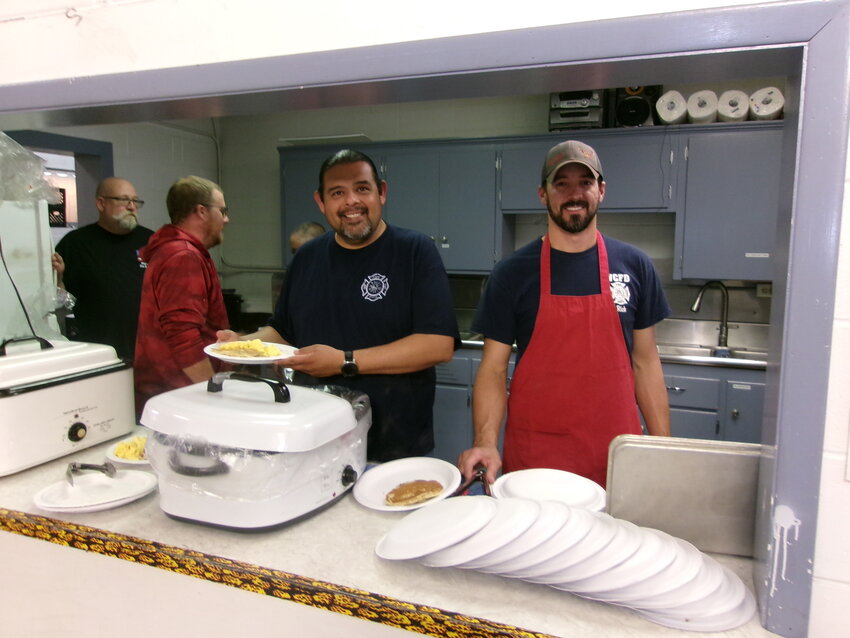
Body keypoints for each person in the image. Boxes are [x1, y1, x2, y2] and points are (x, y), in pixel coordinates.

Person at [217, 149, 460, 462]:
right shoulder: (306, 258)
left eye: (362, 188)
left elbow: (438, 345)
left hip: (394, 445)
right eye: (337, 193)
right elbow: (283, 330)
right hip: (315, 438)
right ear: (321, 202)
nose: (351, 202)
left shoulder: (414, 251)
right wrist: (240, 345)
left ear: (381, 193)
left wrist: (346, 361)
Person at [458, 140, 671, 488]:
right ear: (543, 194)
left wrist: (662, 445)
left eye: (585, 183)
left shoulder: (635, 267)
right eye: (562, 184)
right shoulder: (511, 274)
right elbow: (494, 370)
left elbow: (645, 362)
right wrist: (484, 442)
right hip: (536, 460)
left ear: (601, 191)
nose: (574, 193)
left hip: (615, 456)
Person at [133, 176, 231, 416]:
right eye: (222, 210)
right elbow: (183, 335)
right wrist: (212, 395)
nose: (226, 219)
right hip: (180, 396)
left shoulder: (175, 250)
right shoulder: (183, 257)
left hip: (173, 391)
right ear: (201, 212)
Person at [53, 177, 153, 360]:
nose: (132, 207)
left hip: (150, 354)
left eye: (135, 201)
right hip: (100, 354)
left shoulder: (153, 241)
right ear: (101, 203)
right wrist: (58, 278)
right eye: (124, 200)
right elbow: (58, 299)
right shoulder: (75, 244)